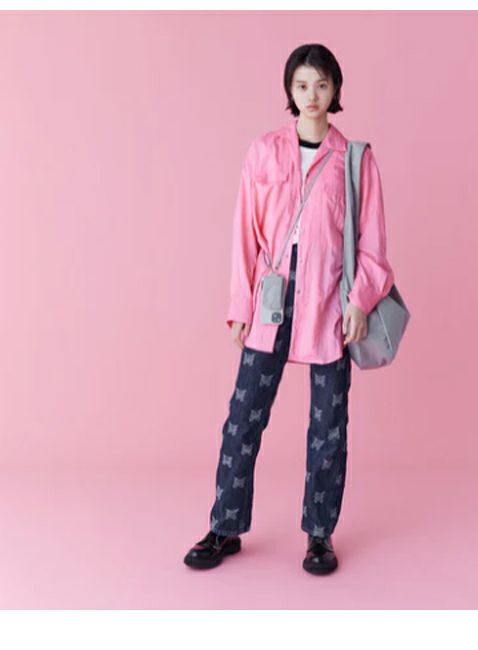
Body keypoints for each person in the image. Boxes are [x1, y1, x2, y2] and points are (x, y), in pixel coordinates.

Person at [184, 43, 395, 575]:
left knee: (329, 426)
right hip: (271, 297)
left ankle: (319, 534)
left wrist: (360, 300)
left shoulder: (355, 159)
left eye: (321, 84)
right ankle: (225, 526)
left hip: (330, 299)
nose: (311, 95)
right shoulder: (263, 152)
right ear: (289, 90)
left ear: (335, 89)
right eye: (302, 85)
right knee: (242, 419)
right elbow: (245, 233)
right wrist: (240, 305)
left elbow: (373, 242)